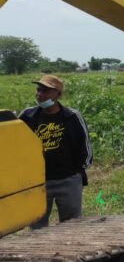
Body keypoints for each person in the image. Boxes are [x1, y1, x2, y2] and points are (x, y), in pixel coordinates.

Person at [19, 75, 93, 229]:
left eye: (46, 91)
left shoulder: (72, 116)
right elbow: (15, 142)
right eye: (39, 90)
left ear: (58, 95)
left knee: (71, 225)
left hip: (68, 179)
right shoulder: (27, 116)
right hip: (38, 182)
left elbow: (84, 144)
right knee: (37, 227)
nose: (40, 94)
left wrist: (78, 171)